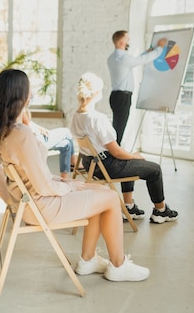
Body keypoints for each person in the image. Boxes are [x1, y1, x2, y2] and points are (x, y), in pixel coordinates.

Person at [0, 69, 149, 282]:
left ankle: (88, 260)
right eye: (30, 89)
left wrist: (70, 183)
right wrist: (70, 187)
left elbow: (35, 177)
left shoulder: (5, 130)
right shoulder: (21, 134)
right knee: (110, 198)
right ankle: (118, 265)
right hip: (41, 205)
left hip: (29, 202)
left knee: (99, 191)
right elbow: (43, 186)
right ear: (22, 95)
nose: (32, 93)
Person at [70, 72, 178, 224]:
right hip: (108, 166)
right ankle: (161, 211)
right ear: (95, 93)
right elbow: (116, 152)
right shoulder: (97, 118)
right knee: (154, 169)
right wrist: (135, 156)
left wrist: (130, 155)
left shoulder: (76, 116)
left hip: (92, 165)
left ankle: (129, 207)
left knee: (129, 159)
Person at [107, 30, 167, 144]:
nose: (128, 42)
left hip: (115, 96)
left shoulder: (112, 58)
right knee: (119, 130)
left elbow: (135, 60)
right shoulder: (124, 59)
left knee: (116, 127)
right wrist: (160, 48)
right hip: (123, 97)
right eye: (127, 40)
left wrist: (147, 51)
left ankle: (112, 153)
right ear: (121, 43)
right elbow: (142, 60)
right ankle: (114, 156)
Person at [21, 108, 77, 178]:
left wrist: (41, 128)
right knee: (67, 132)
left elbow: (29, 122)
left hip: (38, 139)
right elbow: (27, 124)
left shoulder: (18, 107)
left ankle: (64, 178)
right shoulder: (20, 108)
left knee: (66, 144)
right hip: (38, 141)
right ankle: (74, 162)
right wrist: (36, 131)